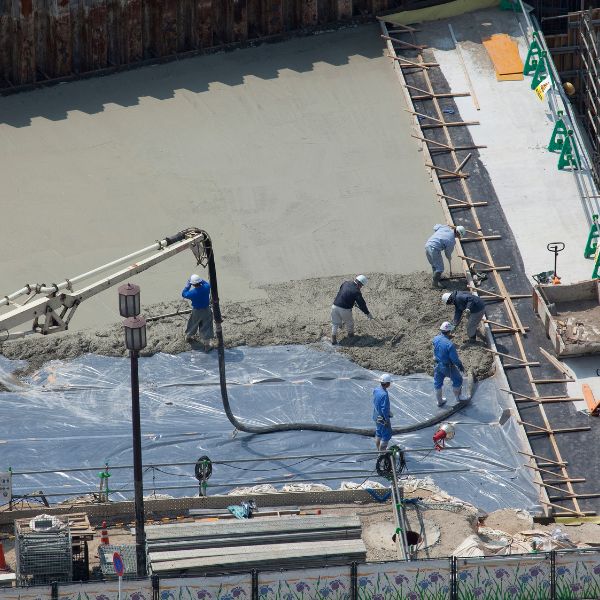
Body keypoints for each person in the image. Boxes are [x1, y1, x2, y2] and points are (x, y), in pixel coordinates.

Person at [330, 275, 373, 345]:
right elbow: (362, 304)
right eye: (361, 286)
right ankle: (351, 337)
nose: (361, 287)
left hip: (334, 306)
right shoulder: (356, 291)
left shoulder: (345, 283)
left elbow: (343, 292)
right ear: (360, 284)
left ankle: (333, 339)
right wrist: (367, 313)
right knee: (350, 323)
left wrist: (352, 301)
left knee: (335, 324)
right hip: (344, 309)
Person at [432, 322, 465, 407]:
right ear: (449, 332)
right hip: (447, 367)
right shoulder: (449, 344)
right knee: (458, 380)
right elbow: (454, 359)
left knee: (437, 383)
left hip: (437, 365)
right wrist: (460, 365)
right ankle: (458, 398)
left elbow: (435, 349)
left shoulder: (435, 338)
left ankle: (439, 402)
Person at [425, 224, 466, 288]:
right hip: (434, 249)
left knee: (434, 265)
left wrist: (440, 235)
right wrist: (449, 258)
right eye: (459, 236)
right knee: (440, 268)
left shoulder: (445, 228)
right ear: (457, 233)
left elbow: (435, 227)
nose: (458, 237)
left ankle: (436, 277)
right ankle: (435, 285)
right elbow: (447, 253)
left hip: (428, 245)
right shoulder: (451, 240)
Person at [182, 274, 213, 350]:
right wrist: (200, 279)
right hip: (206, 310)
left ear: (193, 284)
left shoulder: (192, 293)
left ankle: (188, 337)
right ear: (200, 282)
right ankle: (207, 345)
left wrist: (187, 285)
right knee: (206, 326)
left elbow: (184, 294)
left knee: (193, 324)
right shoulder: (206, 287)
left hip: (196, 311)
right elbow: (206, 283)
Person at [373, 373, 393, 451]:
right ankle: (382, 454)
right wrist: (387, 420)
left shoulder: (376, 389)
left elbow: (377, 402)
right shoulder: (384, 394)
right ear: (387, 383)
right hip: (382, 419)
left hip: (376, 416)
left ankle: (378, 450)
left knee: (378, 433)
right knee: (386, 436)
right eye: (390, 383)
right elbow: (384, 409)